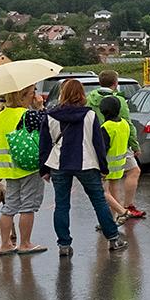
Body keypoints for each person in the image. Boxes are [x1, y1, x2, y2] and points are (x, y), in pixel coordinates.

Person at [41, 79, 126, 257]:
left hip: (59, 164)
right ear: (82, 94)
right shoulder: (90, 116)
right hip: (87, 163)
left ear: (62, 94)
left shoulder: (50, 116)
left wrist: (44, 169)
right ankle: (113, 238)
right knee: (98, 202)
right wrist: (104, 168)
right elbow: (98, 144)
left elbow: (45, 145)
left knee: (62, 205)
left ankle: (64, 245)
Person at [0, 87, 48, 256]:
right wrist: (39, 108)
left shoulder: (2, 114)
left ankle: (6, 244)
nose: (35, 95)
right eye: (32, 92)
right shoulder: (27, 114)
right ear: (23, 95)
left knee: (9, 206)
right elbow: (46, 126)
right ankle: (25, 243)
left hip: (7, 167)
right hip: (26, 165)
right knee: (28, 205)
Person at [88, 69, 145, 220]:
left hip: (97, 145)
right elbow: (128, 122)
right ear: (115, 83)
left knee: (108, 185)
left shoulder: (90, 99)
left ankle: (110, 218)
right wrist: (135, 145)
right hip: (118, 143)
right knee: (132, 172)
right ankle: (125, 208)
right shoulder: (118, 101)